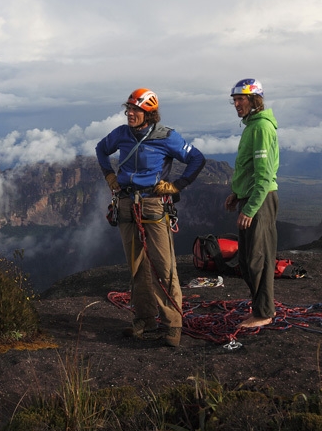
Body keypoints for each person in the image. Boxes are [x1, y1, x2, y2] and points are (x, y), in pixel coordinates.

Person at [96, 88, 205, 347]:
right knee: (137, 265)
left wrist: (178, 184)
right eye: (129, 109)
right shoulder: (121, 135)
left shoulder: (166, 137)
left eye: (136, 110)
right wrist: (109, 176)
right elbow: (101, 149)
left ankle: (172, 325)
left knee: (163, 265)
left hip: (154, 206)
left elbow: (196, 158)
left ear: (149, 114)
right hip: (126, 203)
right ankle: (145, 318)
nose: (130, 114)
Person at [224, 78, 279, 328]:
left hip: (261, 199)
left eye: (241, 99)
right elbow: (249, 168)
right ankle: (260, 308)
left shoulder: (261, 128)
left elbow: (264, 174)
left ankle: (264, 313)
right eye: (234, 100)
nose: (236, 104)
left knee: (259, 258)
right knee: (246, 260)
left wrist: (251, 207)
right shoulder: (251, 126)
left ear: (255, 100)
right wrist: (237, 194)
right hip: (252, 197)